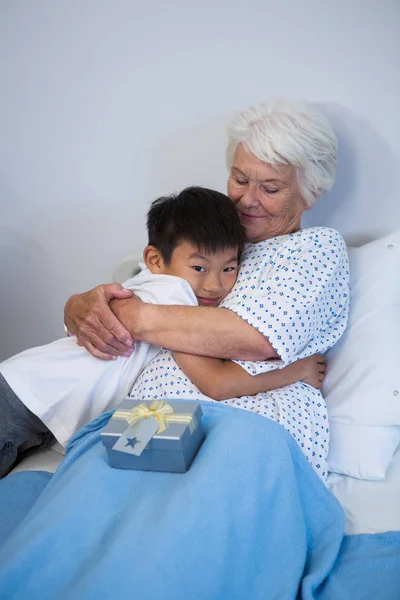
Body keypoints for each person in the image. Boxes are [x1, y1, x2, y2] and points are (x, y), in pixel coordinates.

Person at [65, 99, 350, 480]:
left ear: (310, 193)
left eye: (271, 187)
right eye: (240, 179)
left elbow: (256, 338)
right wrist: (78, 307)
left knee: (199, 515)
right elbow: (134, 293)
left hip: (247, 419)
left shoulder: (315, 249)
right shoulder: (206, 241)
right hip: (149, 417)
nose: (248, 199)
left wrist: (130, 315)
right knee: (89, 505)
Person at [0, 187, 324, 478]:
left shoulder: (151, 287)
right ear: (155, 259)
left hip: (30, 404)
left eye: (229, 268)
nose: (214, 284)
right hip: (18, 402)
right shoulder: (173, 297)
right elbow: (216, 383)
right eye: (199, 268)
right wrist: (298, 370)